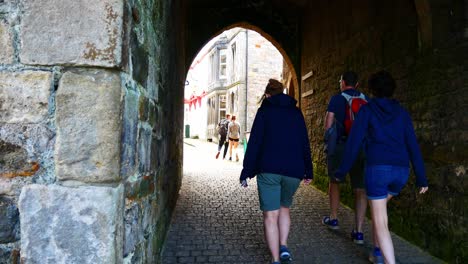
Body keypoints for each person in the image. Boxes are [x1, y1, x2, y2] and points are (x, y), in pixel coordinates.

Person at [334, 71, 429, 264]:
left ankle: (388, 261)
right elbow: (412, 145)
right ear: (392, 90)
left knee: (381, 221)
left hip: (377, 171)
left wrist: (341, 171)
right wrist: (421, 177)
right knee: (380, 209)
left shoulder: (367, 111)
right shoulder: (402, 113)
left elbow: (353, 144)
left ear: (372, 90)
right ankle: (377, 252)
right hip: (400, 172)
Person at [239, 79, 313, 264]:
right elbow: (304, 142)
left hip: (269, 169)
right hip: (293, 171)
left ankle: (275, 259)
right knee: (284, 208)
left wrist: (246, 171)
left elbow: (255, 143)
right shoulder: (296, 113)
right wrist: (308, 170)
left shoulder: (264, 112)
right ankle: (284, 246)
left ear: (268, 95)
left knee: (270, 215)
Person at [322, 71, 368, 244]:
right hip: (361, 148)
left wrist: (327, 140)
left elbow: (328, 123)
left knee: (334, 181)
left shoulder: (337, 99)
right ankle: (359, 231)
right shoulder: (366, 100)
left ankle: (334, 218)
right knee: (360, 188)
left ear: (342, 82)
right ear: (356, 84)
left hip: (341, 146)